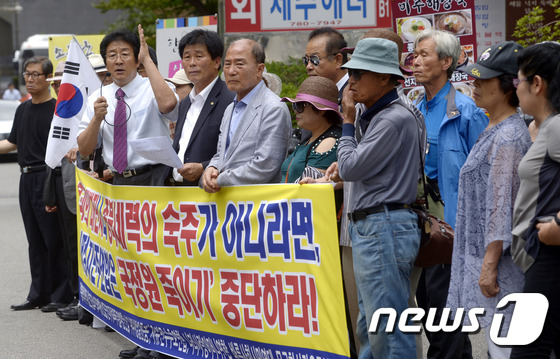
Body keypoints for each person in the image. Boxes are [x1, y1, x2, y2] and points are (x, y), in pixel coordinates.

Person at [337, 37, 423, 358]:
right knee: (371, 326)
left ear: (385, 78)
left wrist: (346, 123)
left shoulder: (392, 117)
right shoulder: (377, 114)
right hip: (376, 224)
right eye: (351, 72)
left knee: (386, 327)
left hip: (383, 224)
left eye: (360, 73)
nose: (352, 80)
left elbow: (350, 167)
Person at [445, 41, 531, 358]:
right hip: (491, 262)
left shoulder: (508, 135)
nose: (475, 85)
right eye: (474, 78)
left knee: (507, 346)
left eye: (484, 79)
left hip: (503, 269)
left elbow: (501, 206)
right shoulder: (494, 126)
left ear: (509, 85)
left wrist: (489, 266)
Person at [412, 30, 488, 359]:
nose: (415, 60)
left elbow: (485, 175)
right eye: (414, 54)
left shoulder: (467, 112)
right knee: (432, 312)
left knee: (444, 319)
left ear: (446, 62)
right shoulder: (412, 108)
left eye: (424, 54)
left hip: (453, 228)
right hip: (418, 227)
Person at [0, 56, 72, 311]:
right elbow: (13, 142)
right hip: (25, 177)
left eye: (35, 75)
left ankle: (60, 294)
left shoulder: (58, 109)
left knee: (54, 238)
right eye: (27, 75)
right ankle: (38, 294)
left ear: (48, 78)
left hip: (48, 176)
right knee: (35, 239)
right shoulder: (22, 108)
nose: (29, 80)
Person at [77, 26, 178, 186]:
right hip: (117, 182)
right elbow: (84, 149)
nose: (118, 61)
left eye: (125, 54)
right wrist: (96, 119)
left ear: (137, 60)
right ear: (105, 62)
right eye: (112, 56)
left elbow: (169, 106)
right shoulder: (97, 98)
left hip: (156, 176)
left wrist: (147, 59)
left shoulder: (153, 87)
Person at [510, 41, 560, 359]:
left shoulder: (556, 127)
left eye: (518, 82)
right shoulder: (546, 127)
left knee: (527, 351)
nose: (516, 90)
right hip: (542, 259)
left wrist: (558, 225)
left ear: (537, 84)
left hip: (550, 259)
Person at [201, 39, 291, 193]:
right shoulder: (230, 108)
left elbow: (265, 166)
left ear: (259, 69)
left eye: (240, 64)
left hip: (258, 207)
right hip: (227, 204)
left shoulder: (273, 108)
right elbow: (223, 153)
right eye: (227, 64)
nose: (231, 71)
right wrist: (211, 168)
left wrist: (221, 179)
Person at [168, 29, 234, 186]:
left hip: (210, 192)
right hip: (177, 191)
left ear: (217, 62)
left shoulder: (230, 99)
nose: (192, 63)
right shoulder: (185, 102)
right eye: (187, 57)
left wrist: (204, 167)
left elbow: (236, 152)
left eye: (199, 56)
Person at [280, 76, 341, 183]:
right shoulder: (312, 137)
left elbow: (308, 188)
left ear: (321, 110)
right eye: (295, 105)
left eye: (300, 105)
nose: (296, 111)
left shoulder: (329, 142)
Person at [304, 27, 349, 101]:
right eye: (306, 60)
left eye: (315, 59)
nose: (308, 67)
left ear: (338, 60)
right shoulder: (317, 94)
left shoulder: (356, 95)